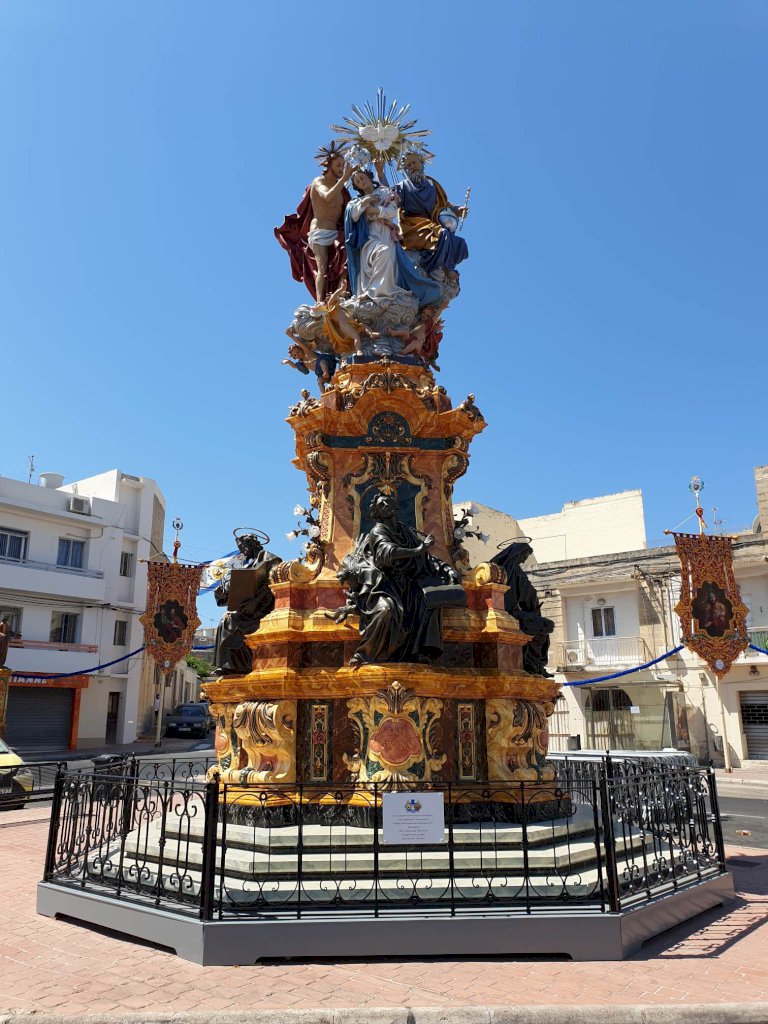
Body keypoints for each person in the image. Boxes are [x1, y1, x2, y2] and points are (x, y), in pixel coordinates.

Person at [329, 491, 463, 666]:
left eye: (388, 502)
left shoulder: (405, 531)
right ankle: (365, 653)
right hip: (384, 584)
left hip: (407, 584)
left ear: (395, 506)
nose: (386, 506)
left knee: (428, 601)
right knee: (386, 609)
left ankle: (421, 652)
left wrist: (447, 569)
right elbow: (387, 552)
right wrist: (418, 550)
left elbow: (426, 558)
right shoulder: (377, 531)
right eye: (381, 505)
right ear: (376, 513)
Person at [345, 169, 441, 309]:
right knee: (380, 253)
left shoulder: (384, 192)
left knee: (389, 260)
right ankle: (372, 291)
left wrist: (376, 211)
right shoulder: (357, 201)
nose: (361, 181)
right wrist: (366, 200)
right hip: (369, 234)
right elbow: (353, 216)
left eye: (362, 177)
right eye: (357, 181)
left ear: (369, 176)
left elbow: (392, 212)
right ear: (356, 186)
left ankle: (382, 292)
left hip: (386, 233)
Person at [275, 142, 353, 301]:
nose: (341, 169)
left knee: (347, 253)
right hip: (319, 231)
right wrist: (345, 178)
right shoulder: (319, 182)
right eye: (338, 165)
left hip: (335, 231)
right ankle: (320, 302)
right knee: (322, 266)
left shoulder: (342, 191)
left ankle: (341, 290)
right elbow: (327, 196)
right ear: (329, 165)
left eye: (343, 166)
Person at [380, 151, 468, 272]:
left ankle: (443, 269)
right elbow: (389, 197)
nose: (412, 166)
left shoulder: (432, 184)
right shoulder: (403, 186)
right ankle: (433, 266)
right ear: (405, 170)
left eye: (414, 162)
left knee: (460, 245)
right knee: (443, 236)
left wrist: (456, 210)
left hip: (433, 224)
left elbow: (443, 205)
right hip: (413, 228)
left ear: (421, 163)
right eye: (408, 165)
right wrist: (381, 174)